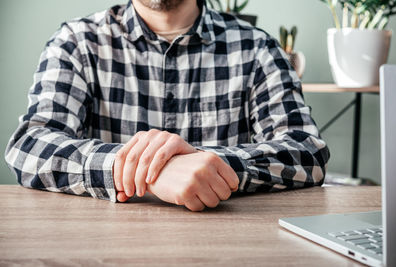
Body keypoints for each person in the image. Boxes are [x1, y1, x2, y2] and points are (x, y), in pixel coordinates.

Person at [5, 0, 330, 211]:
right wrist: (138, 170)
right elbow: (29, 145)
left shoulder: (257, 48)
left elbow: (307, 152)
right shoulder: (77, 42)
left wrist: (213, 165)